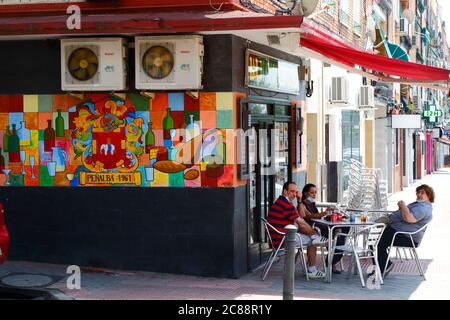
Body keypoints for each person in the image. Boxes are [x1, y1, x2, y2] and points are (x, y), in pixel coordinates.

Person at [267, 181, 328, 279]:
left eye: (296, 192)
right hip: (283, 240)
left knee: (310, 235)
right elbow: (301, 222)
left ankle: (315, 239)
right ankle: (312, 270)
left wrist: (299, 200)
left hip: (278, 238)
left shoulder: (281, 202)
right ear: (285, 192)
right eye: (292, 191)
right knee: (313, 241)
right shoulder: (285, 204)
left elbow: (299, 217)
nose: (294, 194)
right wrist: (314, 234)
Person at [376, 184, 434, 276]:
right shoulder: (421, 205)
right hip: (401, 233)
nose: (419, 194)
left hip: (406, 237)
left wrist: (403, 206)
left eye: (422, 193)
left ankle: (383, 268)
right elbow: (407, 215)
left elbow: (409, 218)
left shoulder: (423, 208)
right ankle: (383, 266)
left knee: (375, 241)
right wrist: (401, 209)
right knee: (376, 239)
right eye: (418, 192)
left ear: (429, 195)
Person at [298, 183, 349, 274]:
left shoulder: (312, 203)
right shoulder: (302, 204)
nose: (314, 195)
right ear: (306, 193)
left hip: (319, 226)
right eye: (312, 193)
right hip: (313, 229)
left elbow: (316, 216)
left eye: (315, 192)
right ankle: (331, 262)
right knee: (334, 238)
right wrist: (324, 213)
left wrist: (326, 214)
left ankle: (332, 260)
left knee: (342, 230)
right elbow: (309, 217)